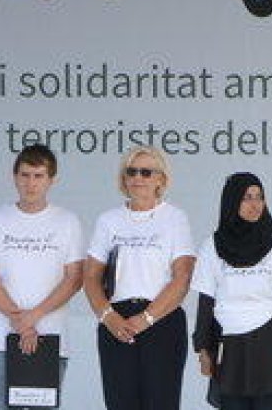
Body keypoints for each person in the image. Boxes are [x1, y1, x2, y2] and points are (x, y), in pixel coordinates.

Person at [83, 145, 195, 410]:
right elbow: (91, 277)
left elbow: (182, 278)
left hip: (162, 319)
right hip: (116, 321)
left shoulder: (175, 218)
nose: (138, 178)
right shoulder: (108, 220)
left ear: (160, 179)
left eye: (146, 172)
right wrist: (108, 317)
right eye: (131, 171)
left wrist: (147, 318)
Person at [0, 144, 84, 410]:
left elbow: (74, 279)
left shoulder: (67, 221)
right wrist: (20, 322)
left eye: (38, 176)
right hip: (3, 338)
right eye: (24, 175)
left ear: (51, 180)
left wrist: (33, 317)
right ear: (14, 177)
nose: (30, 183)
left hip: (50, 338)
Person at [192, 172, 272, 410]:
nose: (255, 204)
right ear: (232, 202)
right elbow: (206, 299)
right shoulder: (212, 246)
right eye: (247, 198)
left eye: (259, 197)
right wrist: (203, 348)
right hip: (230, 344)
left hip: (270, 341)